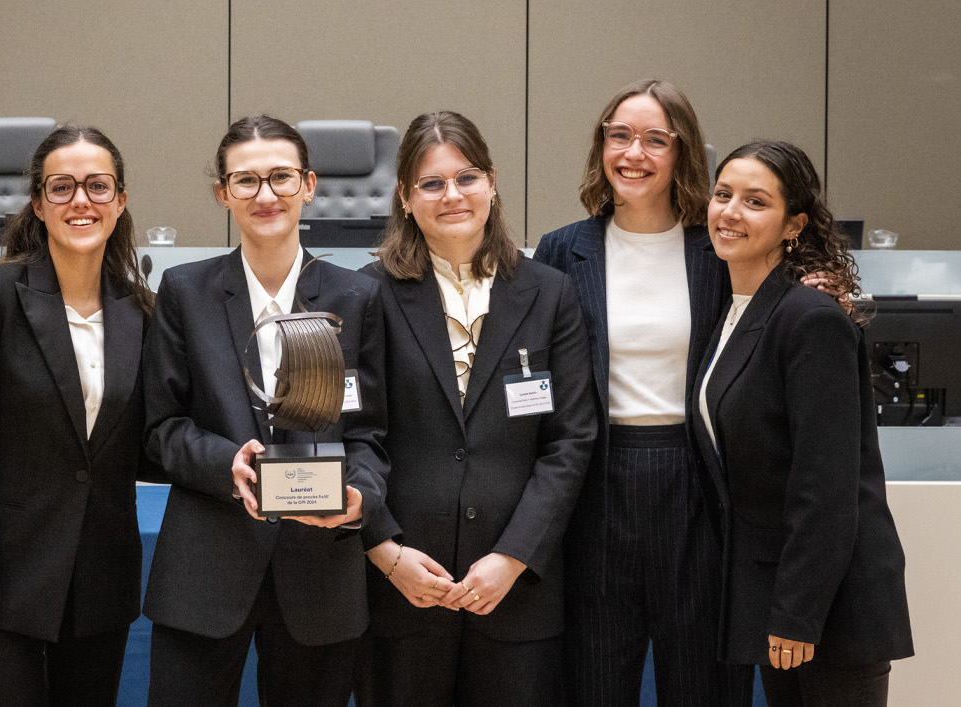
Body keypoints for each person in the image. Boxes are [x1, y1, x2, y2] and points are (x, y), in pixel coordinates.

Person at [141, 116, 388, 707]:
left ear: (308, 184)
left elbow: (372, 435)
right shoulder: (184, 290)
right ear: (223, 194)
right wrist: (226, 461)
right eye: (245, 181)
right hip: (205, 569)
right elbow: (161, 427)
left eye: (280, 177)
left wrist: (360, 497)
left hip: (320, 573)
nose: (266, 195)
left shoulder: (357, 296)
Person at [359, 111, 597, 706]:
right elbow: (355, 435)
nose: (452, 196)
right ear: (405, 200)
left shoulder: (549, 293)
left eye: (466, 178)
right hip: (404, 587)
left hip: (517, 593)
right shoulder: (368, 294)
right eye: (431, 184)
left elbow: (570, 442)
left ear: (491, 183)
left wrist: (514, 556)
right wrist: (387, 553)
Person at [533, 79, 755, 706]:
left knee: (703, 682)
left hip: (698, 486)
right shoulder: (561, 249)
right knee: (595, 683)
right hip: (594, 483)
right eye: (619, 136)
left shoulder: (718, 247)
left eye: (656, 140)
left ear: (683, 154)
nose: (634, 153)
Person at [0, 126, 154, 706]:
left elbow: (149, 441)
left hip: (101, 584)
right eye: (62, 188)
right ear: (38, 204)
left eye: (97, 186)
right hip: (7, 583)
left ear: (121, 201)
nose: (81, 201)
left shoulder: (141, 311)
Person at [693, 140, 912, 706]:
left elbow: (826, 490)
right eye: (723, 195)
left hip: (828, 610)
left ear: (794, 224)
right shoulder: (735, 310)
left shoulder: (810, 318)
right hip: (781, 597)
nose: (731, 212)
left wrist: (795, 614)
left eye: (755, 201)